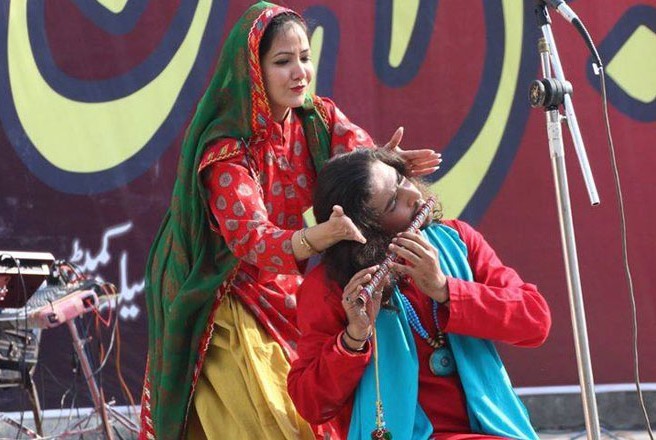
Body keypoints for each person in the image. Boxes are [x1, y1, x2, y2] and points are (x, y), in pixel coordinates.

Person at [139, 2, 441, 439]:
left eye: (305, 57)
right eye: (283, 62)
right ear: (252, 71)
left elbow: (357, 162)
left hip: (285, 284)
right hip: (221, 288)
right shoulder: (227, 154)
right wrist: (323, 235)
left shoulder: (317, 119)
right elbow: (253, 242)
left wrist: (385, 164)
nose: (300, 72)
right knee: (264, 419)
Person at [287, 148, 552, 440]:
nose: (413, 195)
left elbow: (535, 322)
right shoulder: (329, 287)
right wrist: (353, 338)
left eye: (401, 179)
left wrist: (446, 290)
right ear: (366, 231)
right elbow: (311, 404)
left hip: (491, 429)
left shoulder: (458, 239)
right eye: (393, 203)